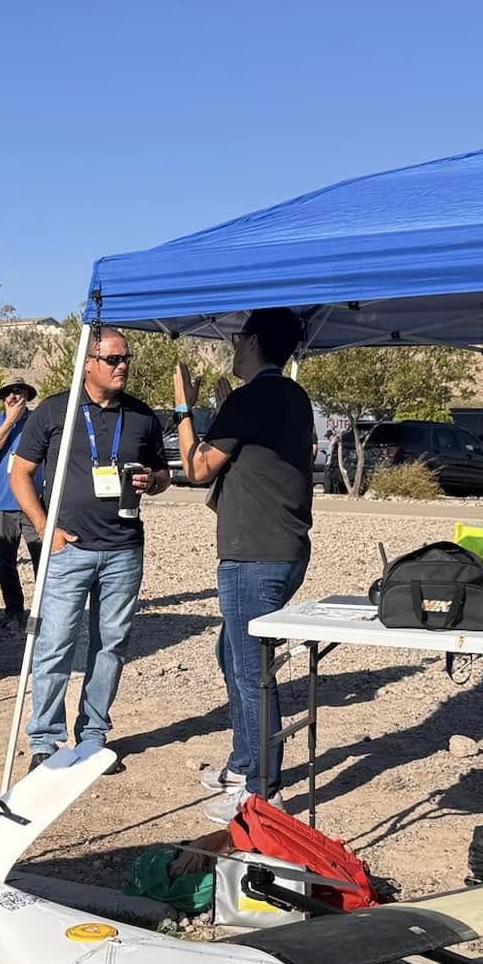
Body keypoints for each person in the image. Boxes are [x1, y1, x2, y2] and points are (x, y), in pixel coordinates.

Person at [172, 308, 318, 821]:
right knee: (229, 653)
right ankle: (244, 762)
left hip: (254, 552)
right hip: (282, 547)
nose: (233, 347)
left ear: (253, 340)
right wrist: (224, 410)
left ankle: (260, 790)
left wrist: (182, 409)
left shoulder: (252, 398)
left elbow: (196, 468)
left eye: (237, 338)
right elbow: (256, 455)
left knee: (252, 669)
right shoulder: (291, 396)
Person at [9, 327, 170, 772]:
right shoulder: (55, 411)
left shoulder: (141, 416)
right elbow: (19, 474)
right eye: (113, 359)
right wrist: (46, 529)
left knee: (110, 646)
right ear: (89, 363)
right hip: (68, 549)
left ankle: (94, 736)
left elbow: (163, 474)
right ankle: (44, 739)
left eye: (126, 359)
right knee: (55, 643)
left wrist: (152, 482)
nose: (122, 367)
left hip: (123, 549)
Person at [0, 380, 41, 630]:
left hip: (34, 502)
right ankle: (13, 610)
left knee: (41, 559)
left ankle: (43, 612)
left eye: (17, 391)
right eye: (7, 393)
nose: (13, 396)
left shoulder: (39, 420)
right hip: (2, 503)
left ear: (26, 394)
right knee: (6, 562)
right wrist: (10, 421)